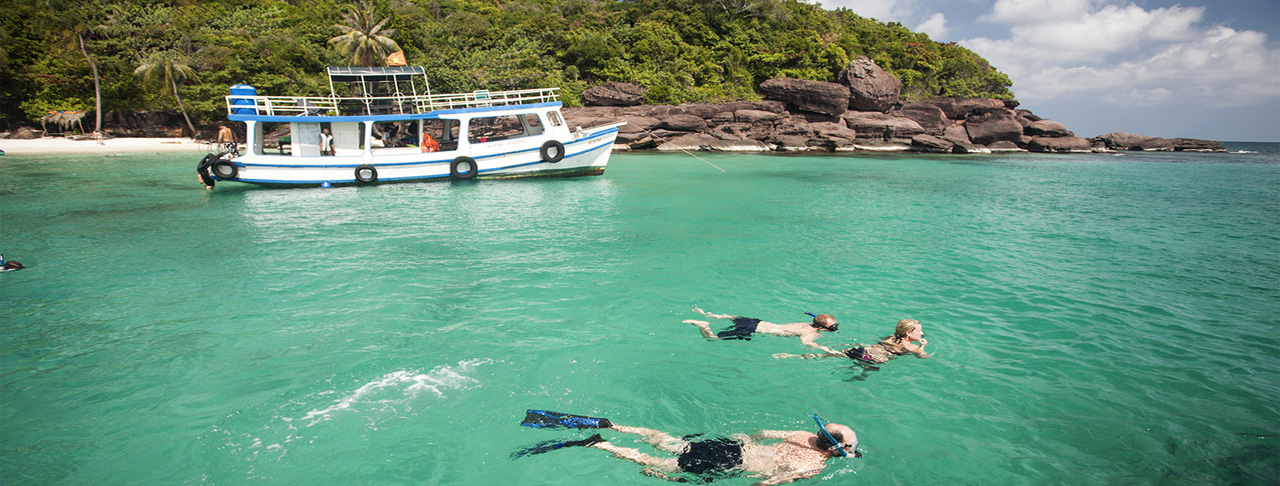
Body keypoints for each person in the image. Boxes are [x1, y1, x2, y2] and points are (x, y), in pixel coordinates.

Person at [519, 413, 859, 485]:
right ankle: (602, 443)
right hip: (732, 465)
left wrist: (749, 440)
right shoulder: (816, 467)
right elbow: (768, 484)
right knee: (658, 463)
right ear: (836, 451)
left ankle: (616, 426)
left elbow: (761, 430)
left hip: (732, 445)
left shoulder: (800, 432)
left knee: (668, 441)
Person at [684, 307, 840, 354]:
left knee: (732, 317)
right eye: (833, 326)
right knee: (713, 339)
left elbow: (818, 319)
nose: (835, 328)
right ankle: (704, 325)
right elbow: (806, 343)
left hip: (756, 321)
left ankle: (710, 314)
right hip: (751, 330)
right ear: (821, 328)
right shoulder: (811, 332)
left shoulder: (806, 324)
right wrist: (825, 349)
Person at [774, 318, 930, 364]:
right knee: (829, 356)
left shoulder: (891, 337)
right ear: (909, 333)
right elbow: (922, 356)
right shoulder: (910, 346)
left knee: (831, 353)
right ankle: (791, 357)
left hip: (861, 349)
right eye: (919, 331)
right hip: (869, 358)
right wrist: (922, 347)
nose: (922, 333)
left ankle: (792, 356)